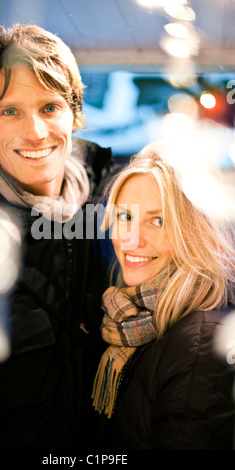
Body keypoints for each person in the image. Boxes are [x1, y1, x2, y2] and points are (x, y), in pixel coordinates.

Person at [0, 24, 113, 450]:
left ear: (75, 115)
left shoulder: (121, 221)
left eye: (50, 107)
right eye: (10, 110)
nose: (34, 132)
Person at [92, 142, 235, 450]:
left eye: (158, 221)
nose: (132, 239)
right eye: (126, 217)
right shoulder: (134, 313)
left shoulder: (202, 343)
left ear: (196, 231)